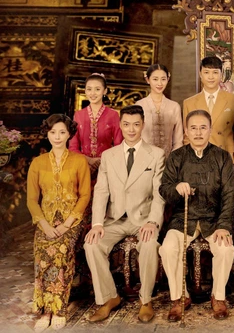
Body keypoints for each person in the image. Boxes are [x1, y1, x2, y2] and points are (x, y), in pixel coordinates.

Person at [84, 105, 165, 324]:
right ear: (120, 125)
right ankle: (109, 297)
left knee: (149, 244)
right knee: (92, 244)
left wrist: (152, 222)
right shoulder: (108, 156)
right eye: (127, 124)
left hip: (143, 219)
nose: (131, 129)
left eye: (136, 124)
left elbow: (159, 193)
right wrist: (97, 224)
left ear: (143, 125)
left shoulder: (156, 154)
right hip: (114, 219)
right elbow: (101, 191)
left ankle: (146, 300)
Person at [158, 110, 234, 322]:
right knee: (168, 249)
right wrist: (177, 188)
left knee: (226, 249)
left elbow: (229, 195)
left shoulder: (222, 157)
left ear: (210, 130)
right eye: (193, 128)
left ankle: (218, 296)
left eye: (203, 128)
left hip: (214, 220)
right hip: (183, 219)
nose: (198, 132)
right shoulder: (176, 157)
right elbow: (164, 189)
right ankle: (179, 297)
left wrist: (224, 225)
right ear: (186, 131)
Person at [27, 114, 91, 331]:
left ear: (69, 134)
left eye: (62, 132)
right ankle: (45, 310)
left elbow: (84, 196)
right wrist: (44, 225)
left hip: (72, 220)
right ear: (47, 133)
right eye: (53, 132)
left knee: (60, 251)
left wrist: (66, 224)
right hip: (45, 221)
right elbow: (32, 200)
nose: (57, 136)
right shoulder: (37, 163)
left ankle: (59, 309)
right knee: (42, 253)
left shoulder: (79, 161)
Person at [182, 56, 234, 160]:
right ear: (200, 74)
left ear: (221, 74)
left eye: (215, 72)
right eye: (206, 72)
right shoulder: (189, 103)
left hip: (226, 156)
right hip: (198, 157)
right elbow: (187, 136)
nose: (211, 77)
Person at [68, 73, 123, 178]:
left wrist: (100, 161)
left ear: (105, 91)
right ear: (85, 91)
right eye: (89, 89)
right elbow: (73, 146)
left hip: (107, 167)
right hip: (82, 166)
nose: (92, 93)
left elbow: (119, 145)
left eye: (97, 89)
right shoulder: (78, 115)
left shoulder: (113, 115)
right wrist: (88, 160)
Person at [135, 64, 184, 156]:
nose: (160, 83)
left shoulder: (174, 107)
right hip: (144, 158)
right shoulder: (140, 105)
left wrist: (172, 160)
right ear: (147, 80)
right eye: (155, 79)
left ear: (168, 79)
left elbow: (178, 140)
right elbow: (135, 136)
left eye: (163, 79)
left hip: (169, 160)